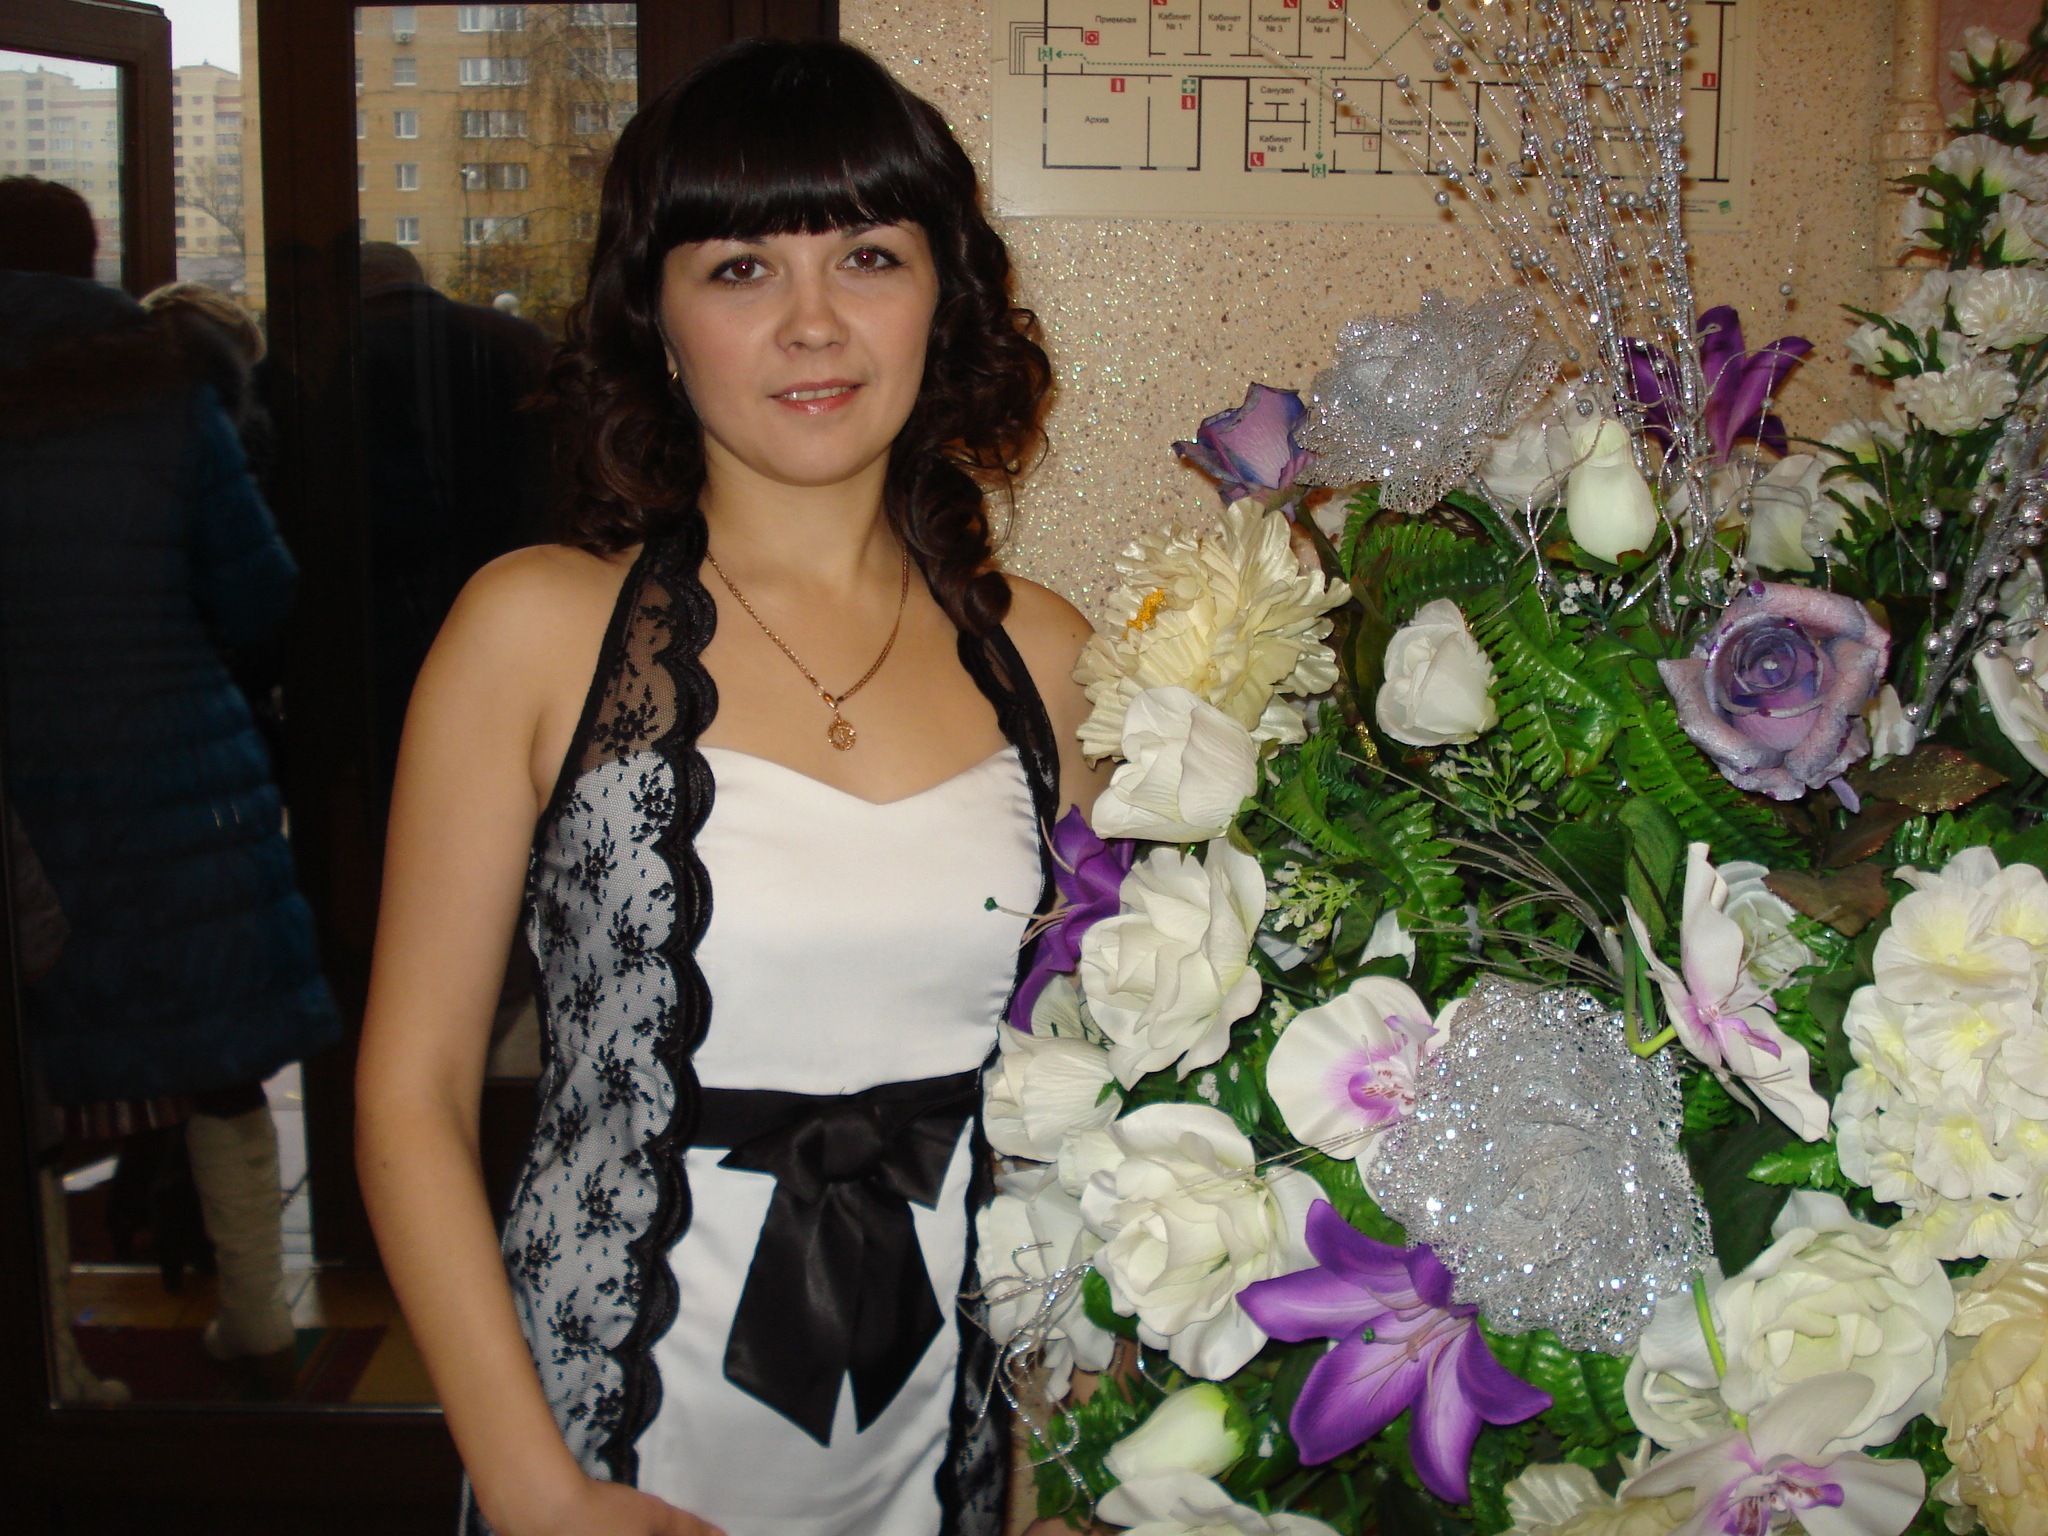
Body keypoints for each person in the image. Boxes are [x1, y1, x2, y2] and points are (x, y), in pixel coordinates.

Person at [354, 39, 1102, 1536]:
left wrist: (1062, 1469)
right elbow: (411, 1095)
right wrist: (538, 1494)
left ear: (943, 294)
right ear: (656, 315)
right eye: (742, 268)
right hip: (611, 1440)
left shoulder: (1051, 656)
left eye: (869, 257)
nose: (813, 323)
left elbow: (1091, 1106)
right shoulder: (531, 631)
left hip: (947, 1438)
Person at [0, 177, 343, 1389]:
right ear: (88, 256)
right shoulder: (162, 390)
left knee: (27, 1080)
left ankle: (50, 1364)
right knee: (220, 1049)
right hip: (173, 772)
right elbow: (257, 588)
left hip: (17, 787)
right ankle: (257, 1317)